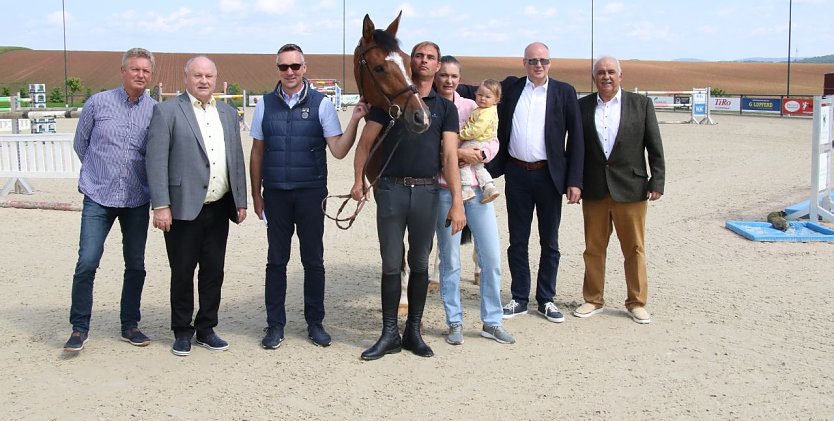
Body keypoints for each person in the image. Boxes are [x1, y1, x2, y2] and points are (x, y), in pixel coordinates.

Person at [351, 41, 466, 361]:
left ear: (438, 65)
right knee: (391, 264)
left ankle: (413, 331)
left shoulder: (445, 108)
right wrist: (358, 180)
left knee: (419, 264)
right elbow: (364, 144)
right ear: (410, 61)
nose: (424, 61)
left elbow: (449, 157)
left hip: (427, 192)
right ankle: (389, 333)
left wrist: (457, 201)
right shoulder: (388, 101)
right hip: (391, 190)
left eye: (430, 57)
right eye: (419, 56)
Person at [249, 43, 367, 349]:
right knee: (276, 261)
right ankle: (275, 325)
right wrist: (256, 195)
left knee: (313, 261)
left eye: (295, 66)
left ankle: (315, 323)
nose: (289, 72)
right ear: (278, 69)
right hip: (276, 194)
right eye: (283, 67)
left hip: (311, 193)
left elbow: (338, 150)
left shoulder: (322, 104)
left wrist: (354, 120)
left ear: (304, 68)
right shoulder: (264, 105)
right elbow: (257, 152)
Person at [464, 42, 584, 324]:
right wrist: (440, 81)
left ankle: (546, 299)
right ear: (524, 63)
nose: (538, 65)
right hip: (516, 173)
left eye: (543, 60)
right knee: (517, 239)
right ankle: (519, 297)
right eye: (532, 61)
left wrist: (574, 181)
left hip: (549, 176)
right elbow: (475, 90)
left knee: (549, 241)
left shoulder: (564, 92)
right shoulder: (512, 87)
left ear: (550, 63)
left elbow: (576, 138)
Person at [146, 56, 248, 356]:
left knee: (214, 271)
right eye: (197, 75)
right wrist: (161, 205)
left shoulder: (228, 113)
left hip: (219, 207)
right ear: (186, 77)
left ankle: (206, 328)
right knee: (182, 272)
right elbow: (156, 161)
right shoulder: (167, 111)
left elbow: (236, 159)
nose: (203, 81)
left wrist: (241, 199)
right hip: (182, 208)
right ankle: (181, 330)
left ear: (216, 79)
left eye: (208, 76)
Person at [64, 48, 157, 352]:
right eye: (135, 69)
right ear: (123, 71)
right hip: (99, 196)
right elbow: (81, 144)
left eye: (146, 71)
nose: (140, 75)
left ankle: (130, 325)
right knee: (87, 261)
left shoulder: (155, 111)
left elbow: (155, 154)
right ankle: (79, 328)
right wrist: (99, 172)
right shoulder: (98, 103)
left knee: (136, 264)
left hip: (136, 198)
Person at [573, 56, 665, 324]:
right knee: (593, 248)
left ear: (620, 76)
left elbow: (654, 146)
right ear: (594, 78)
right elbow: (575, 149)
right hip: (594, 189)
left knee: (634, 248)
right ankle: (593, 299)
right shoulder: (582, 107)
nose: (606, 76)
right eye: (601, 72)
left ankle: (636, 302)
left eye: (611, 72)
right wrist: (574, 181)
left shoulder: (641, 105)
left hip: (631, 188)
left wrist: (657, 181)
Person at [433, 56, 515, 345]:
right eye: (444, 75)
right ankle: (454, 321)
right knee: (450, 259)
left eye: (454, 76)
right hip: (445, 191)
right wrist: (456, 154)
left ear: (459, 78)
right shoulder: (427, 108)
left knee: (491, 256)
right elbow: (427, 148)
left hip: (479, 191)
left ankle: (492, 321)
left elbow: (493, 139)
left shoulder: (472, 106)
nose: (449, 80)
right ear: (436, 76)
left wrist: (481, 154)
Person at [457, 78, 502, 204]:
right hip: (482, 141)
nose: (482, 98)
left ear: (496, 100)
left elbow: (476, 130)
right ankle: (489, 187)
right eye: (480, 95)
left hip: (476, 140)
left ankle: (466, 188)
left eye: (487, 96)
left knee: (463, 162)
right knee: (478, 167)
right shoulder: (482, 109)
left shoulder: (486, 112)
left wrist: (460, 135)